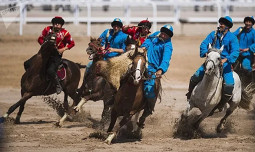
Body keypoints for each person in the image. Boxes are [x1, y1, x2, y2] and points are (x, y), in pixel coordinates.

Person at [186, 16, 239, 111]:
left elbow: (235, 52)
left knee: (229, 85)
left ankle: (220, 105)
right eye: (221, 23)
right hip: (211, 62)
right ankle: (190, 95)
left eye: (223, 23)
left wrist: (226, 60)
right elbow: (204, 43)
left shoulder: (232, 38)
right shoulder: (213, 34)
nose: (221, 25)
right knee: (195, 77)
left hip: (224, 65)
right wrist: (205, 52)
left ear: (228, 26)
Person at [24, 16, 75, 94]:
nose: (56, 25)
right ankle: (30, 80)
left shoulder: (65, 33)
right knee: (27, 63)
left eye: (59, 23)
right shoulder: (47, 29)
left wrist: (63, 49)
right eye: (55, 23)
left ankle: (58, 85)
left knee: (50, 70)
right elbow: (40, 39)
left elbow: (72, 43)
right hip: (44, 54)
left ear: (61, 25)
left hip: (56, 56)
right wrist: (44, 45)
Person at [138, 24, 174, 127]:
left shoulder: (168, 45)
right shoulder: (154, 35)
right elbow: (146, 43)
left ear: (169, 36)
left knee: (150, 90)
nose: (163, 35)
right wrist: (143, 48)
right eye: (163, 32)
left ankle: (147, 111)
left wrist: (160, 70)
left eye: (166, 34)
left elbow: (166, 60)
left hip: (153, 69)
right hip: (142, 63)